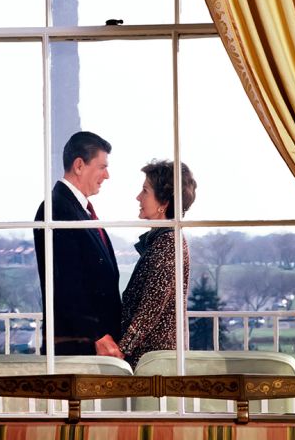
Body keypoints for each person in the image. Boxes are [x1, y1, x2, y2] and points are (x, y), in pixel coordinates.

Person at [33, 131, 123, 357]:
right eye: (102, 167)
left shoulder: (77, 208)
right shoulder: (56, 209)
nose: (107, 175)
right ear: (80, 165)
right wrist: (98, 335)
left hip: (91, 343)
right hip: (78, 346)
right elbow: (66, 286)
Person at [118, 160, 197, 368]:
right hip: (151, 358)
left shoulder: (168, 244)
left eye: (145, 191)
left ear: (163, 203)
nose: (138, 197)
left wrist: (120, 351)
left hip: (153, 362)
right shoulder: (163, 240)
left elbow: (150, 309)